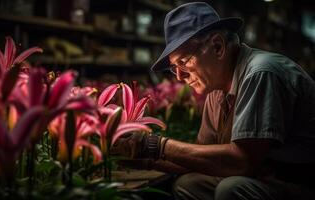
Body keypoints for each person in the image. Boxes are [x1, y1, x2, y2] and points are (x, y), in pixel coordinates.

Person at [111, 2, 315, 200]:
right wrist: (145, 161)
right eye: (174, 68)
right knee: (189, 184)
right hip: (265, 178)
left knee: (231, 189)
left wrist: (156, 145)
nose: (179, 76)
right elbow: (202, 160)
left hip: (299, 184)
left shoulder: (260, 73)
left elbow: (242, 162)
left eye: (183, 62)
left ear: (217, 46)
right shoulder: (216, 91)